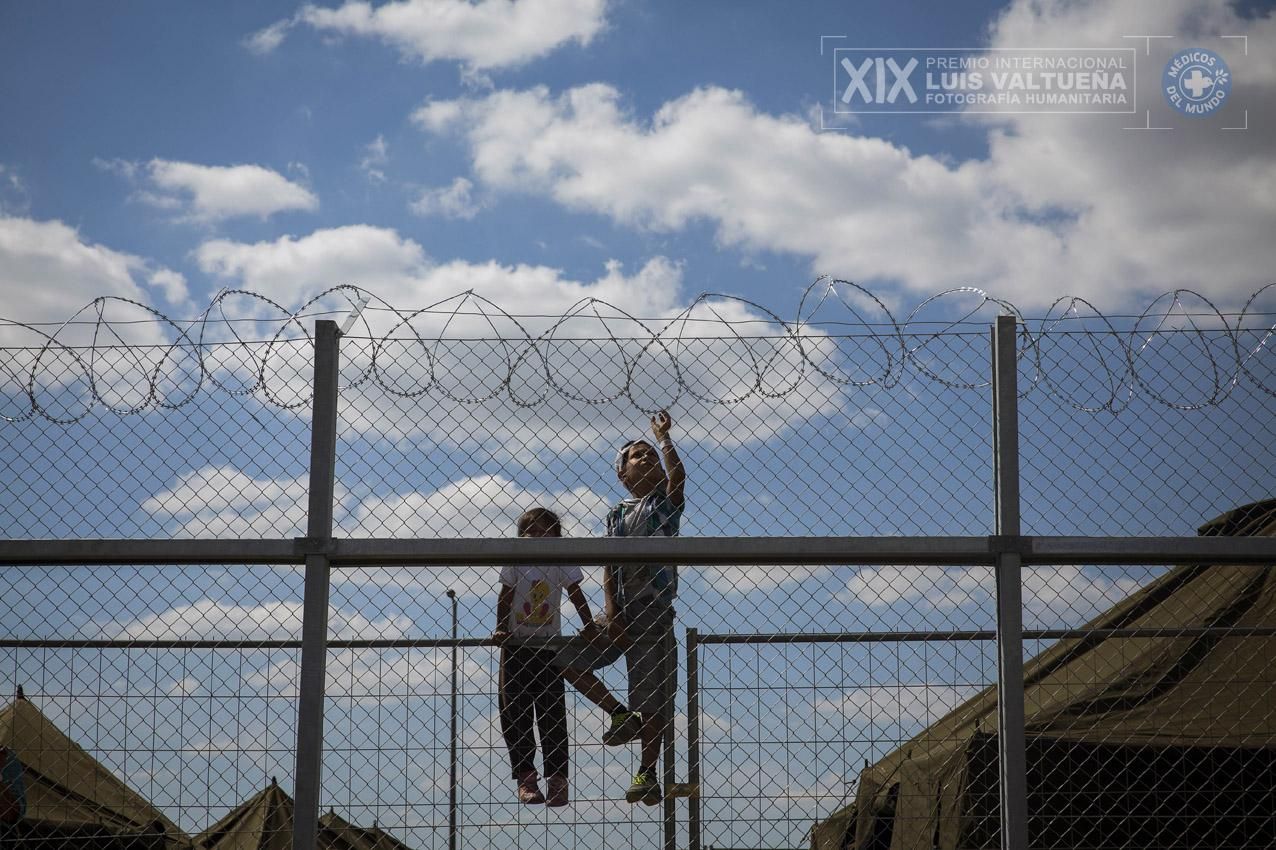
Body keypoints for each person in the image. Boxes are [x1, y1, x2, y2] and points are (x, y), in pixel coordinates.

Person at [605, 409, 685, 805]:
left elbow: (679, 480)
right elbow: (610, 563)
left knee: (652, 695)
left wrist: (665, 439)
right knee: (566, 659)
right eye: (638, 455)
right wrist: (609, 610)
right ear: (622, 474)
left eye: (651, 453)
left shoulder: (663, 506)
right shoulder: (617, 514)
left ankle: (647, 771)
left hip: (652, 610)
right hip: (620, 612)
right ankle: (620, 714)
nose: (647, 457)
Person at [494, 507, 593, 807]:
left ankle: (558, 779)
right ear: (521, 537)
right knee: (516, 713)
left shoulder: (558, 560)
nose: (537, 536)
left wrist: (588, 624)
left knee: (552, 715)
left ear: (557, 537)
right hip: (517, 648)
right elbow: (506, 595)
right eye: (531, 531)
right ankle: (526, 776)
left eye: (545, 531)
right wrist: (500, 629)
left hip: (548, 648)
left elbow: (576, 592)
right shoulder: (517, 560)